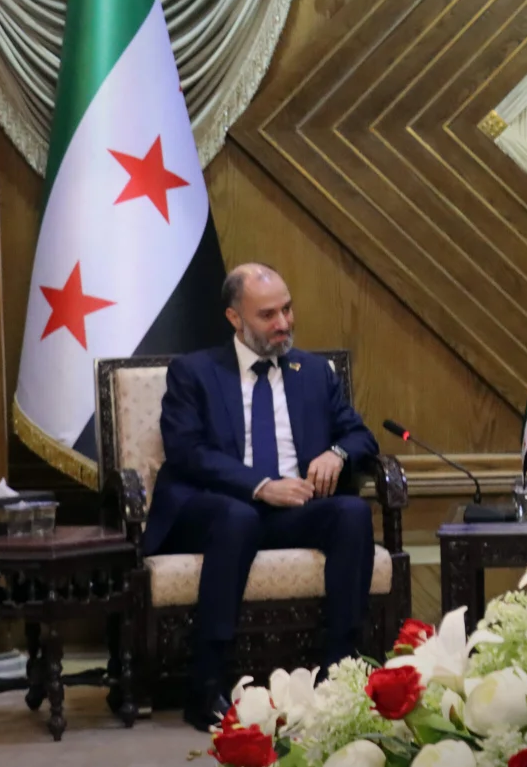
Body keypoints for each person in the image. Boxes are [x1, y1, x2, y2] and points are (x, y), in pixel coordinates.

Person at [145, 262, 379, 730]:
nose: (284, 323)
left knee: (352, 513)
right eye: (268, 315)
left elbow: (360, 437)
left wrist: (336, 453)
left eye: (287, 310)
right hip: (219, 510)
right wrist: (260, 486)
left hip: (292, 510)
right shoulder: (194, 372)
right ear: (235, 318)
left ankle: (339, 673)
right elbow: (187, 451)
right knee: (239, 518)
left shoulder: (313, 372)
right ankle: (206, 685)